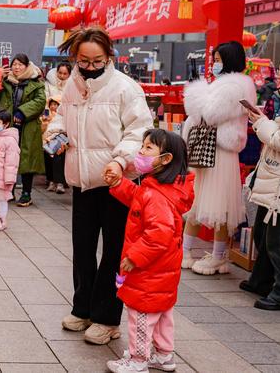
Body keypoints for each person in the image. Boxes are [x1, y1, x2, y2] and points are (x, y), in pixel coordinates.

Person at [52, 28, 153, 345]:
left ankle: (108, 318)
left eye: (97, 61)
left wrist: (121, 161)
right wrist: (55, 136)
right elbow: (61, 118)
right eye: (84, 60)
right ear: (75, 58)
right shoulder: (72, 85)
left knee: (113, 252)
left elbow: (139, 132)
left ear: (109, 57)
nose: (90, 66)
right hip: (82, 182)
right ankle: (82, 308)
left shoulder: (127, 88)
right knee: (82, 249)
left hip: (116, 184)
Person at [104, 129, 193, 373]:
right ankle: (164, 355)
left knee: (141, 317)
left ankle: (138, 359)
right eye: (142, 146)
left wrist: (134, 257)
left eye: (147, 148)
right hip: (163, 271)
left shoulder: (156, 194)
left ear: (165, 159)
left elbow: (158, 234)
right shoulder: (160, 188)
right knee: (163, 314)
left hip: (148, 271)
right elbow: (138, 198)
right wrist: (119, 184)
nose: (140, 152)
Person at [181, 41, 256, 275]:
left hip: (218, 152)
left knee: (213, 204)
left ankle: (205, 255)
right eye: (214, 59)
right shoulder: (235, 84)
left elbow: (210, 114)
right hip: (219, 150)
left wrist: (197, 93)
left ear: (230, 60)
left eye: (218, 60)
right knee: (209, 203)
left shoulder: (231, 86)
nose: (214, 64)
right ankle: (206, 254)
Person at [0, 53, 46, 206]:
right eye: (14, 64)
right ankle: (9, 191)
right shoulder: (7, 81)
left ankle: (27, 193)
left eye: (20, 64)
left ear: (27, 66)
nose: (16, 67)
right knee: (8, 159)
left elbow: (40, 101)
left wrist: (22, 112)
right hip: (9, 127)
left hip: (28, 127)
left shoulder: (36, 82)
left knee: (27, 160)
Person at [242, 108, 280, 310]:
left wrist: (262, 122)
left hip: (278, 188)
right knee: (263, 234)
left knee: (276, 242)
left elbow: (278, 139)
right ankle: (261, 280)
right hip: (272, 180)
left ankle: (279, 293)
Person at [43, 94, 67, 194]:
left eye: (56, 104)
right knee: (48, 158)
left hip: (60, 139)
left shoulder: (65, 115)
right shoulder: (46, 115)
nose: (53, 107)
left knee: (58, 158)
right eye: (51, 104)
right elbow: (43, 129)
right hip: (48, 139)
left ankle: (60, 182)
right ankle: (51, 181)